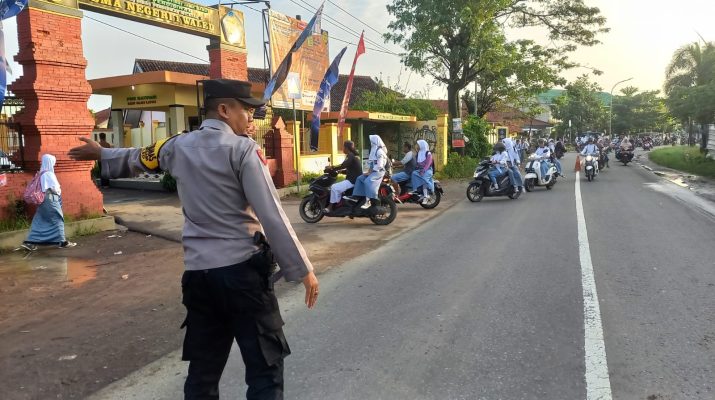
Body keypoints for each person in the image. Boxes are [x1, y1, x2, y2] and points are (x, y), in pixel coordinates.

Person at [68, 79, 319, 400]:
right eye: (246, 110)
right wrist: (303, 269)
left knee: (203, 375)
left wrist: (102, 153)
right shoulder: (242, 150)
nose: (250, 117)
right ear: (224, 109)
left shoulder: (177, 145)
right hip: (243, 277)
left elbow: (138, 157)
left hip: (200, 278)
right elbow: (272, 214)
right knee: (264, 372)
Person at [21, 154, 76, 251]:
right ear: (50, 162)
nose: (54, 164)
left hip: (43, 200)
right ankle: (62, 242)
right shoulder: (49, 174)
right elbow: (54, 189)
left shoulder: (41, 173)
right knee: (57, 218)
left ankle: (30, 242)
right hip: (51, 199)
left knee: (40, 219)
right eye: (53, 162)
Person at [325, 140, 362, 213]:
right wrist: (341, 171)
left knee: (334, 187)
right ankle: (340, 203)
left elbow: (343, 165)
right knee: (338, 188)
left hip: (352, 181)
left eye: (343, 147)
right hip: (354, 180)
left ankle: (331, 207)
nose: (343, 149)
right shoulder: (354, 156)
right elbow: (352, 169)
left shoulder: (350, 155)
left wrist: (332, 167)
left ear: (346, 148)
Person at [352, 134, 387, 209]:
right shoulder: (374, 150)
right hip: (374, 171)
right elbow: (372, 163)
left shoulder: (379, 152)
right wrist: (369, 171)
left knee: (367, 181)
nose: (371, 143)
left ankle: (369, 201)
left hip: (379, 171)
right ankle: (357, 197)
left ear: (376, 142)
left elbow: (380, 165)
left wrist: (370, 172)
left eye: (372, 142)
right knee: (360, 178)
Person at [411, 139, 434, 204]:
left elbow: (428, 164)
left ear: (422, 145)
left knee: (424, 178)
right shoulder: (419, 153)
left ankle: (426, 196)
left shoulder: (428, 153)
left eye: (418, 145)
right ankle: (417, 190)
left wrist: (423, 171)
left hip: (428, 170)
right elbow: (417, 164)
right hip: (420, 170)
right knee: (413, 173)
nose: (417, 146)